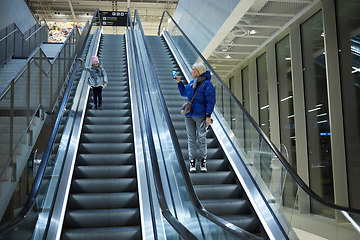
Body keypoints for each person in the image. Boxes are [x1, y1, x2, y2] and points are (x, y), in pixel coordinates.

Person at [174, 62, 216, 172]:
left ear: (198, 71)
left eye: (193, 69)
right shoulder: (192, 82)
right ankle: (192, 162)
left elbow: (211, 101)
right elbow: (184, 92)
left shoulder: (207, 85)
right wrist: (179, 82)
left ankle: (203, 162)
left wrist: (208, 116)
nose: (191, 71)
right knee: (191, 139)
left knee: (202, 139)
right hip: (189, 115)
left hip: (200, 115)